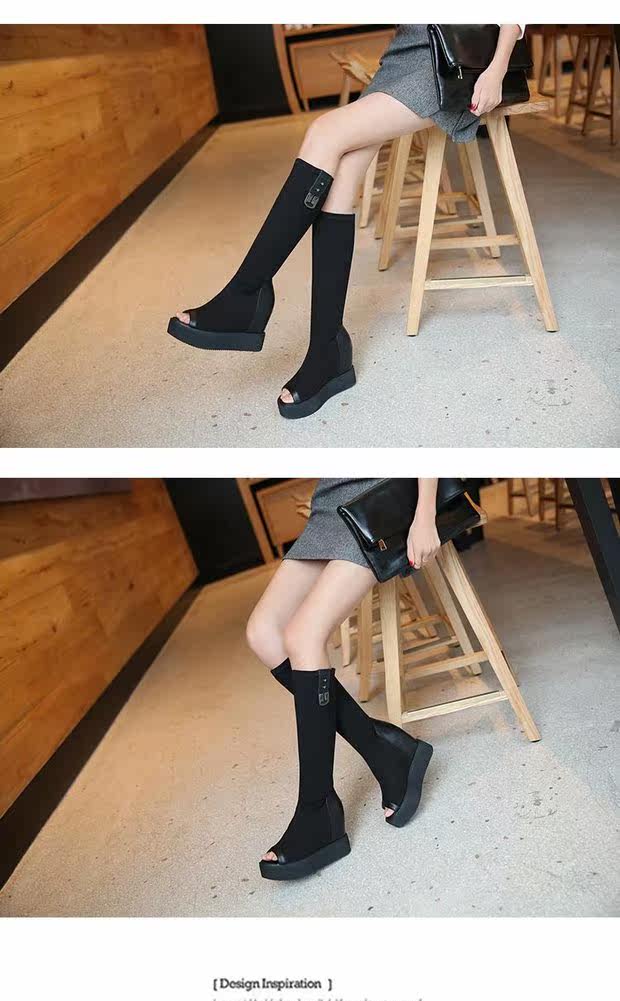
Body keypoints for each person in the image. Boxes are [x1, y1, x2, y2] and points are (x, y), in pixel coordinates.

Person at [168, 25, 524, 420]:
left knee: (324, 132)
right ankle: (327, 349)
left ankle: (246, 293)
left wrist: (497, 68)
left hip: (453, 58)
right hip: (407, 50)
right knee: (342, 175)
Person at [245, 478, 440, 880]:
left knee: (303, 636)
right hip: (332, 498)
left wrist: (425, 511)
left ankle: (317, 809)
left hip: (381, 494)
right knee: (262, 633)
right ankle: (384, 748)